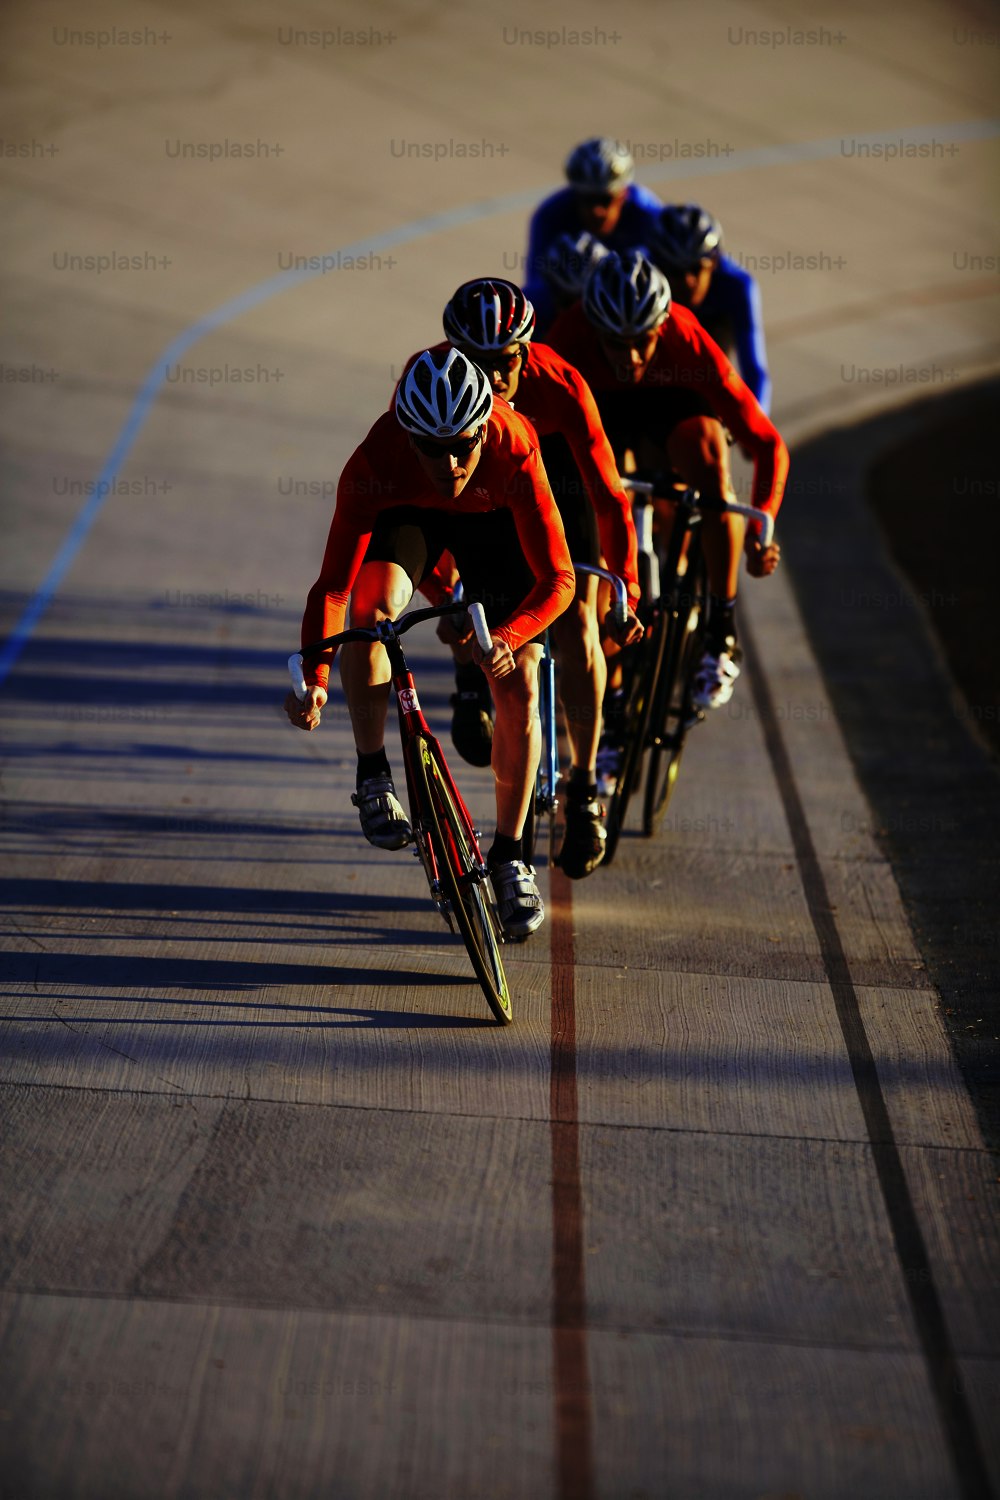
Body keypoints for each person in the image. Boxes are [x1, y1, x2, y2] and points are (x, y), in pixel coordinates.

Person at [285, 347, 575, 939]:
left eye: (462, 446)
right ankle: (373, 775)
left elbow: (559, 579)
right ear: (406, 434)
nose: (448, 464)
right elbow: (331, 590)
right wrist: (315, 680)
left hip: (492, 520)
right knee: (369, 612)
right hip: (410, 513)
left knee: (518, 676)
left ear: (483, 427)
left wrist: (511, 635)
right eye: (432, 449)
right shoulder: (376, 460)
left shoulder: (513, 446)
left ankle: (511, 854)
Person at [397, 277, 643, 878]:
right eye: (480, 362)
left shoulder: (558, 384)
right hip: (488, 481)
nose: (495, 376)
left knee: (577, 620)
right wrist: (446, 592)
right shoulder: (437, 386)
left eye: (508, 362)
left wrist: (625, 587)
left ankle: (583, 786)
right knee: (477, 592)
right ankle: (469, 681)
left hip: (555, 479)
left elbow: (609, 495)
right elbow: (420, 499)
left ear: (526, 352)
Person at [546, 250, 788, 724]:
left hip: (672, 403)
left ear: (661, 327)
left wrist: (763, 526)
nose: (631, 357)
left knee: (708, 456)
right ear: (594, 329)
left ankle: (721, 628)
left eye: (642, 341)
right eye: (616, 343)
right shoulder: (570, 337)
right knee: (590, 516)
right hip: (602, 412)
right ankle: (610, 696)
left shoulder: (684, 334)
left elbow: (767, 444)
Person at [524, 137, 663, 334]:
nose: (597, 211)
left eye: (605, 200)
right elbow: (537, 280)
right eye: (587, 200)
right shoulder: (550, 215)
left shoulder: (647, 213)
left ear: (623, 193)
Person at [646, 203, 772, 413]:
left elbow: (754, 369)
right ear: (657, 265)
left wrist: (755, 425)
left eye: (696, 268)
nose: (687, 281)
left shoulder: (736, 285)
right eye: (675, 271)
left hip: (707, 387)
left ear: (714, 262)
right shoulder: (643, 277)